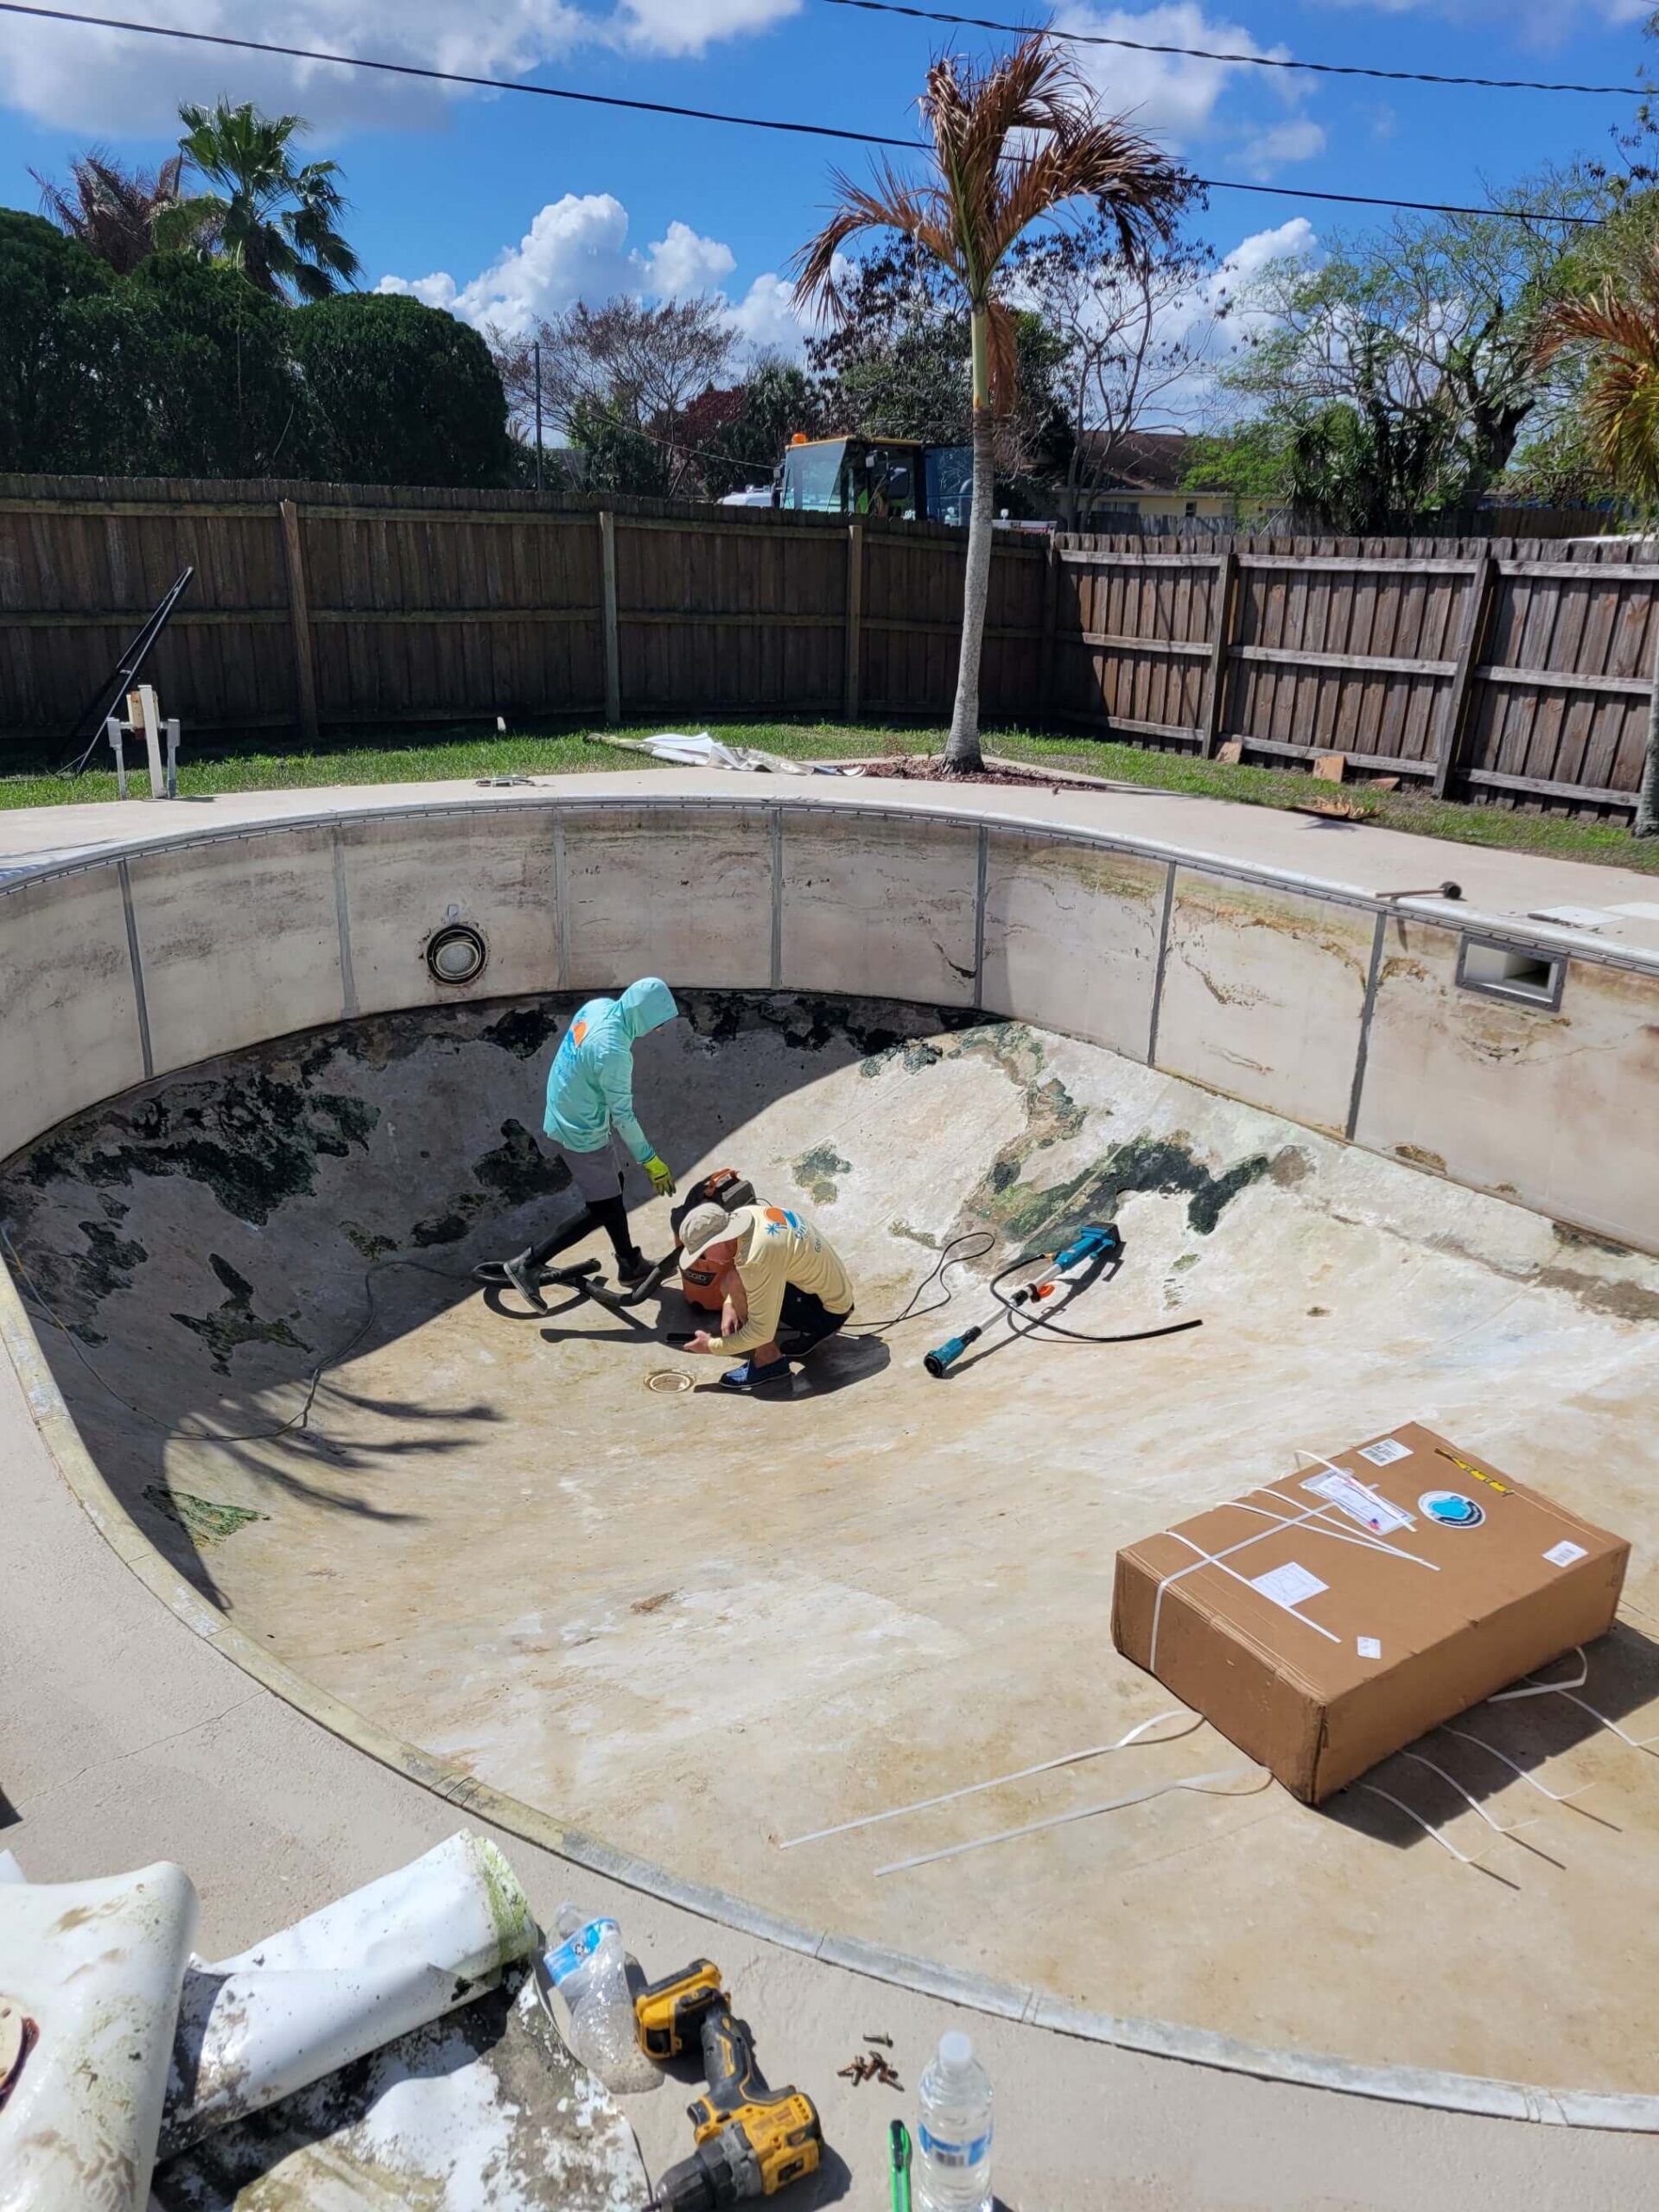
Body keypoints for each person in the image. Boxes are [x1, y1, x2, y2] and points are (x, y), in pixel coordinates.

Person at [502, 978, 680, 1311]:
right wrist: (650, 1160)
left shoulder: (599, 1007)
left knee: (614, 1187)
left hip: (566, 1109)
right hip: (580, 1132)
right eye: (658, 1023)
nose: (658, 1030)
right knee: (601, 1208)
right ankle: (528, 1264)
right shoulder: (614, 1053)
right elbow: (624, 1117)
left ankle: (629, 1263)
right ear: (644, 1016)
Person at [676, 1198, 855, 1391]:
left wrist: (711, 1346)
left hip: (827, 1313)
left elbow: (761, 1333)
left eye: (702, 1254)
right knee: (732, 1281)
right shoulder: (749, 1215)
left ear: (718, 1240)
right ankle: (811, 1332)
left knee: (735, 1283)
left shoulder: (756, 1257)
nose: (706, 1261)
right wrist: (730, 1302)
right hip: (834, 1295)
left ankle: (769, 1360)